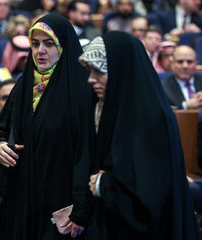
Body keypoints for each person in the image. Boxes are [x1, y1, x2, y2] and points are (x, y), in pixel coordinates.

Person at [79, 31, 200, 239]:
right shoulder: (107, 106)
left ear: (120, 71)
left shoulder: (150, 116)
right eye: (90, 71)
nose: (91, 79)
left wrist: (104, 185)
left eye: (99, 71)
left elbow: (150, 194)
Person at [0, 13, 91, 239]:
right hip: (21, 194)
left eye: (48, 44)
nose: (40, 51)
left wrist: (81, 206)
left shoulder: (82, 89)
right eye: (34, 44)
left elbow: (87, 153)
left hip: (60, 197)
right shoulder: (24, 84)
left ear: (64, 46)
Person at [162, 45, 202, 109]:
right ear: (172, 64)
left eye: (189, 62)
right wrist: (185, 105)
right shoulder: (163, 87)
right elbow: (162, 110)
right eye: (180, 62)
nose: (185, 66)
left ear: (196, 64)